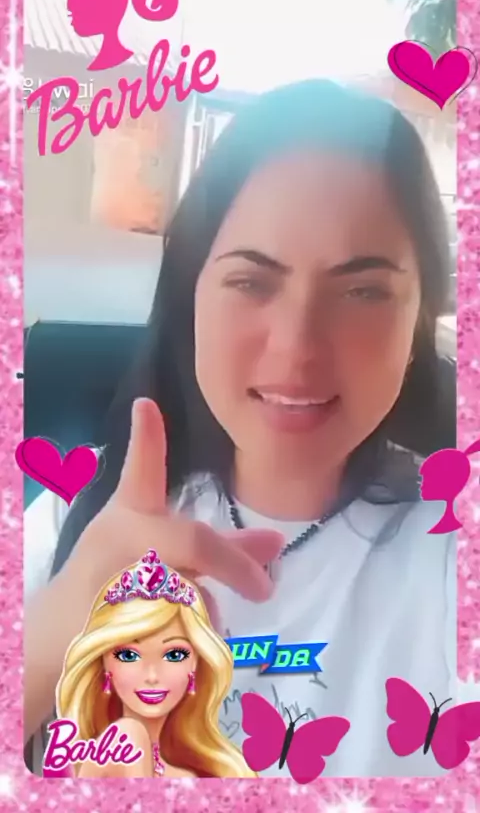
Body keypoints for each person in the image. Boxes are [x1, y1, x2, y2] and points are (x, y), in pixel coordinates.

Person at [25, 79, 456, 778]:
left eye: (362, 291)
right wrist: (65, 618)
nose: (297, 349)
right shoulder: (75, 517)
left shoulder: (451, 553)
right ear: (190, 298)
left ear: (418, 325)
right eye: (251, 282)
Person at [44, 549, 255, 778]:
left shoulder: (207, 770)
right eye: (129, 655)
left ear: (196, 664)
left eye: (174, 655)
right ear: (104, 664)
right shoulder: (120, 743)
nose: (152, 675)